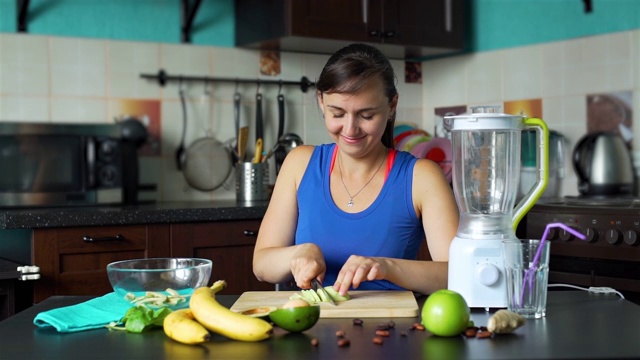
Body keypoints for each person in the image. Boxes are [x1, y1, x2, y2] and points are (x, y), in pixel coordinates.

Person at [253, 43, 459, 296]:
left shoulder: (422, 177)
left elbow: (456, 274)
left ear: (392, 105)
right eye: (337, 113)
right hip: (309, 326)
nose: (350, 130)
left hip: (392, 330)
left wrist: (386, 267)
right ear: (321, 101)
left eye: (367, 115)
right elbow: (261, 266)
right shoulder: (299, 164)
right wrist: (297, 254)